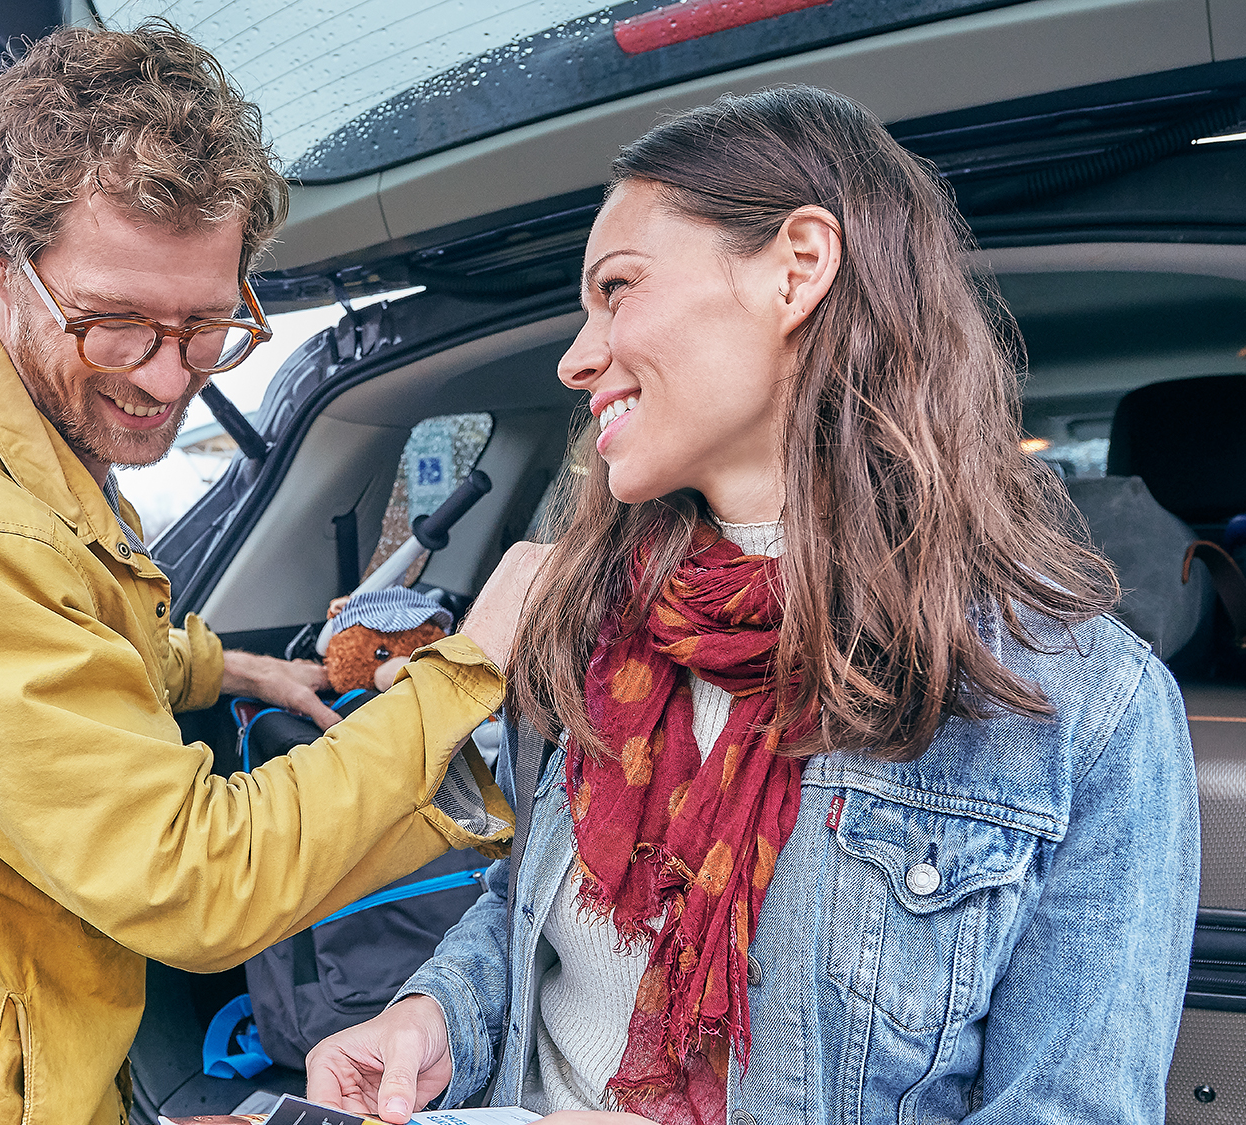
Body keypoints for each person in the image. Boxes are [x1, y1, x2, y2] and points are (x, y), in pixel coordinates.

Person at [0, 23, 543, 1125]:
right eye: (113, 325)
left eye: (205, 327)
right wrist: (474, 666)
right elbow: (197, 880)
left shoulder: (21, 468)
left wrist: (225, 668)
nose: (162, 377)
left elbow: (79, 631)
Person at [307, 85, 1199, 1124]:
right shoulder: (585, 619)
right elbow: (528, 914)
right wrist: (432, 1019)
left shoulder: (1084, 710)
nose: (573, 357)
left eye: (617, 287)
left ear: (797, 269)